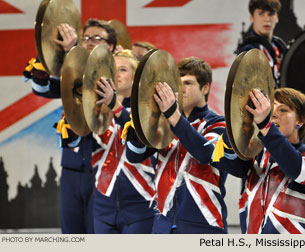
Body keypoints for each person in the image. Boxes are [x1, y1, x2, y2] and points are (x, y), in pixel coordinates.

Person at [23, 18, 117, 234]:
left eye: (97, 38)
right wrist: (49, 49)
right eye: (86, 38)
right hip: (73, 167)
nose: (89, 42)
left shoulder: (118, 77)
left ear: (110, 47)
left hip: (104, 169)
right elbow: (41, 87)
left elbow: (93, 83)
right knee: (71, 234)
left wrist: (74, 49)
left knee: (97, 234)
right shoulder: (72, 78)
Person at [125, 57, 228, 234]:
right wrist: (140, 128)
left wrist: (173, 115)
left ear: (205, 88)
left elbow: (205, 154)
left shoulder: (219, 124)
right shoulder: (165, 123)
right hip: (163, 223)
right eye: (177, 83)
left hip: (204, 223)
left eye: (188, 83)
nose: (181, 88)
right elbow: (134, 155)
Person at [213, 88, 305, 234]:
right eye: (271, 109)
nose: (273, 114)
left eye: (283, 110)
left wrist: (265, 126)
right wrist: (236, 120)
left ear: (300, 121)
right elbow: (224, 161)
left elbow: (294, 167)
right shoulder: (257, 156)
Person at [91, 49, 156, 233]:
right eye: (112, 69)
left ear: (135, 77)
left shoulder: (147, 107)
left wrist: (116, 106)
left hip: (141, 202)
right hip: (103, 204)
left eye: (123, 70)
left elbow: (141, 134)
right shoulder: (94, 107)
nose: (116, 74)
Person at [235, 0, 287, 87]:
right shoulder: (248, 50)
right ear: (252, 17)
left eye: (271, 14)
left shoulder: (279, 47)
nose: (266, 19)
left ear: (277, 17)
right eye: (261, 13)